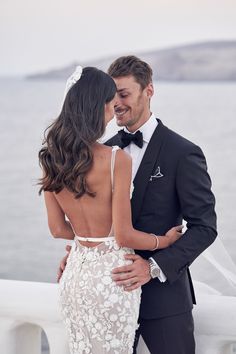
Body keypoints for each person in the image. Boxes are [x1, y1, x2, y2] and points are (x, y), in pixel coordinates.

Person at [58, 56, 217, 354]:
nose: (116, 103)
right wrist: (83, 251)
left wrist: (153, 268)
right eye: (111, 96)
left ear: (149, 91)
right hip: (107, 297)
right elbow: (95, 223)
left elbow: (205, 228)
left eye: (124, 94)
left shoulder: (183, 153)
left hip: (165, 302)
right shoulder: (103, 151)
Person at [38, 66, 182, 354]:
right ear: (98, 107)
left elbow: (57, 229)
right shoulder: (115, 159)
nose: (113, 109)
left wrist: (86, 242)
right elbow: (124, 236)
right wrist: (164, 241)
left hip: (75, 279)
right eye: (110, 102)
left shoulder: (50, 157)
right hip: (112, 280)